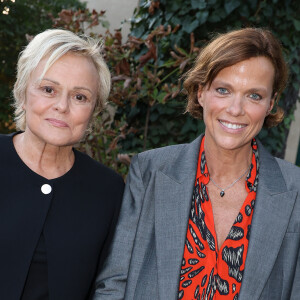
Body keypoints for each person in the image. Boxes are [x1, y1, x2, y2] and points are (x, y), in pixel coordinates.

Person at [93, 28, 300, 300]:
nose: (235, 109)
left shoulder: (294, 189)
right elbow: (113, 285)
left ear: (271, 103)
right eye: (223, 90)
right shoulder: (150, 171)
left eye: (254, 96)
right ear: (201, 92)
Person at [0, 29, 124, 300]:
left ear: (93, 111)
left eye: (80, 97)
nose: (62, 106)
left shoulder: (109, 191)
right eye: (48, 89)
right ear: (22, 93)